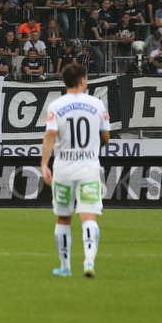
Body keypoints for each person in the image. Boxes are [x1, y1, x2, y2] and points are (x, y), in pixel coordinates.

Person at [41, 63, 110, 278]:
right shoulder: (97, 104)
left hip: (63, 169)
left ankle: (65, 266)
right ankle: (89, 261)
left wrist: (44, 164)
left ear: (65, 82)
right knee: (89, 217)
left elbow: (50, 135)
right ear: (82, 81)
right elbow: (106, 137)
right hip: (89, 167)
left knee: (63, 219)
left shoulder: (56, 105)